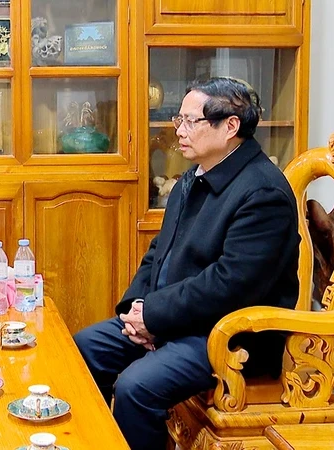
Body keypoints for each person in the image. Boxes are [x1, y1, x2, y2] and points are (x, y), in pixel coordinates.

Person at [74, 78, 300, 450]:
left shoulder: (263, 192)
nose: (178, 129)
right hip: (172, 319)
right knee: (85, 349)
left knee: (135, 387)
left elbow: (230, 285)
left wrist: (155, 318)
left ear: (230, 126)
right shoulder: (194, 175)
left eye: (190, 121)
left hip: (228, 336)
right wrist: (135, 310)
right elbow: (157, 252)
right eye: (179, 119)